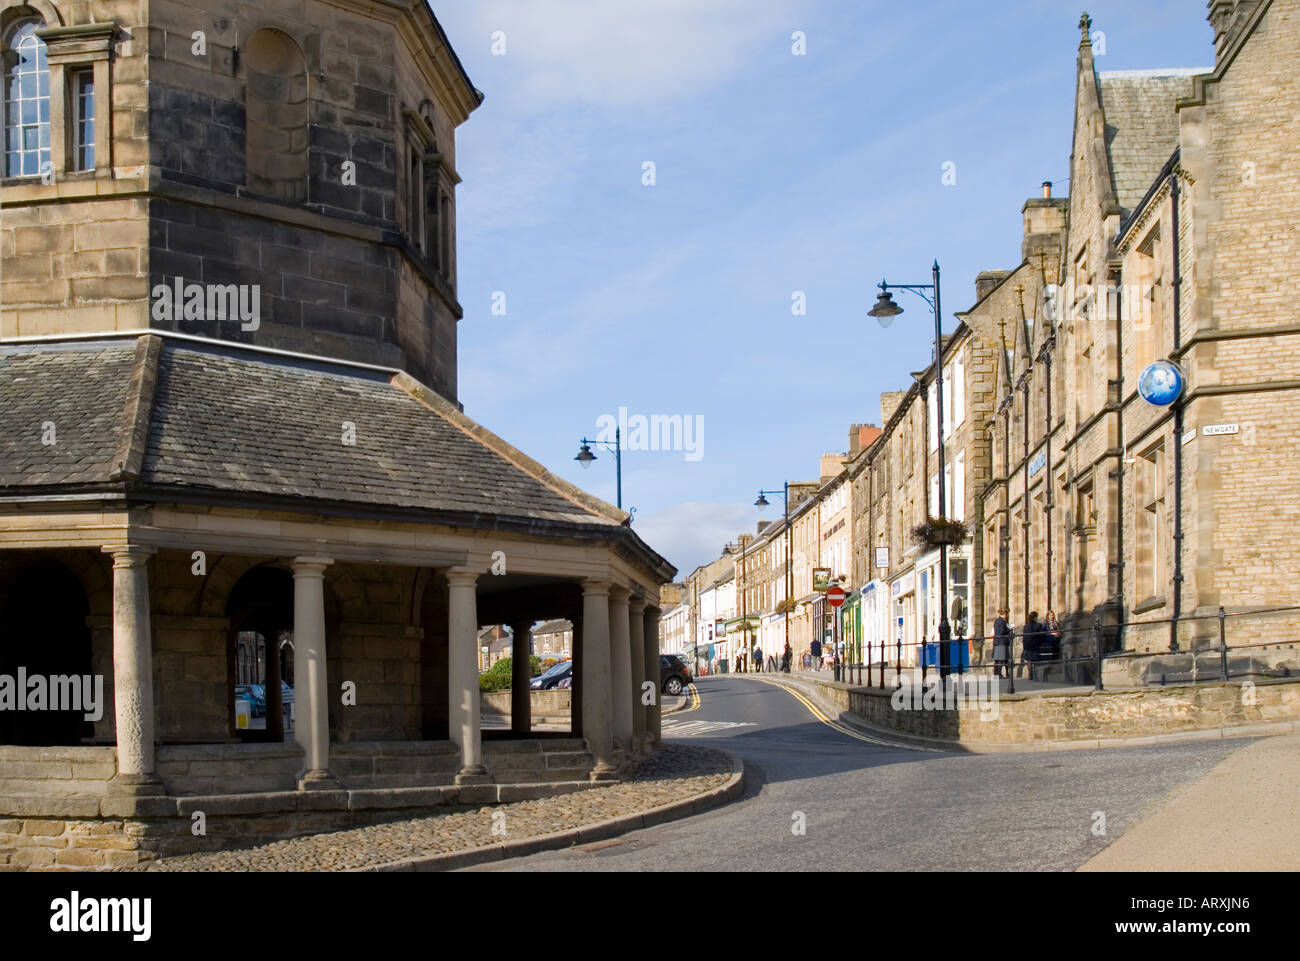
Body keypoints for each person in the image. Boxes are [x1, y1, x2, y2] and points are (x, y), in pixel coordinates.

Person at [1021, 611, 1043, 680]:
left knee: (1029, 661)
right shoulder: (1038, 625)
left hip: (1027, 645)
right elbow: (1042, 635)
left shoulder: (1025, 626)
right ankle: (1036, 674)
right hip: (1035, 644)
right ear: (1035, 617)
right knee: (1035, 660)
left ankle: (1030, 674)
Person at [992, 608, 1011, 678]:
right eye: (1007, 614)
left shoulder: (996, 621)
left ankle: (996, 674)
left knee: (997, 659)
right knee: (1001, 659)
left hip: (996, 641)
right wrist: (1009, 629)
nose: (1007, 616)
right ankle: (999, 674)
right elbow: (1002, 631)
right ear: (1005, 614)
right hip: (1002, 642)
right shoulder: (1003, 621)